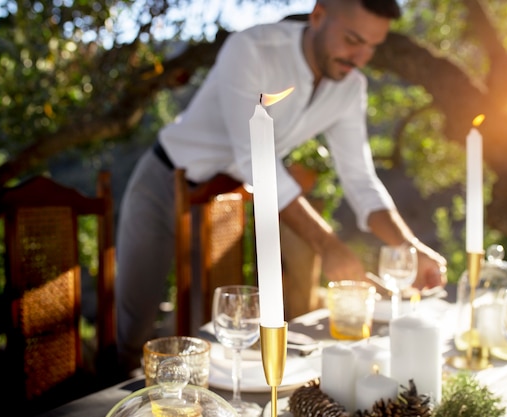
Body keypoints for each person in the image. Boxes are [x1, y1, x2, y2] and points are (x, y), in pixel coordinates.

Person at [116, 0, 448, 372]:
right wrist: (327, 244)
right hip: (165, 179)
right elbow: (255, 161)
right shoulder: (252, 49)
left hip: (228, 200)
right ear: (319, 15)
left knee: (209, 332)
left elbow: (360, 179)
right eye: (353, 39)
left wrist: (408, 248)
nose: (360, 57)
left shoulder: (350, 88)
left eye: (373, 46)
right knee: (135, 326)